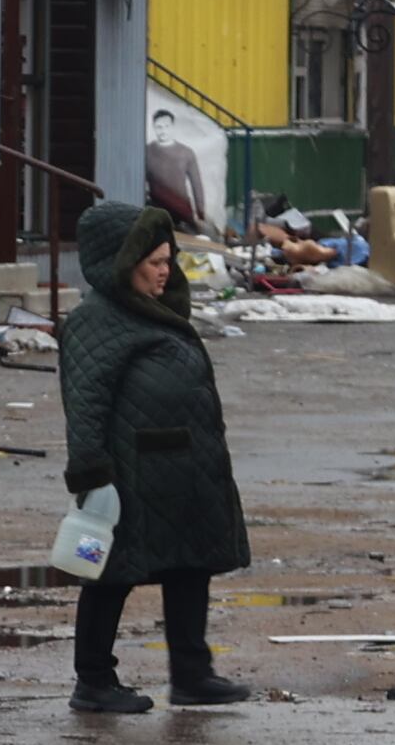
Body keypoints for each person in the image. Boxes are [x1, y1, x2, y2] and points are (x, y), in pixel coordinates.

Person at [56, 198, 251, 716]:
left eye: (169, 261)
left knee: (191, 567)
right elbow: (85, 403)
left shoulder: (155, 314)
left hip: (181, 472)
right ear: (122, 263)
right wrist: (93, 475)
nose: (166, 272)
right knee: (108, 575)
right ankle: (94, 680)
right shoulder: (96, 321)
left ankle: (192, 674)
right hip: (130, 477)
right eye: (155, 262)